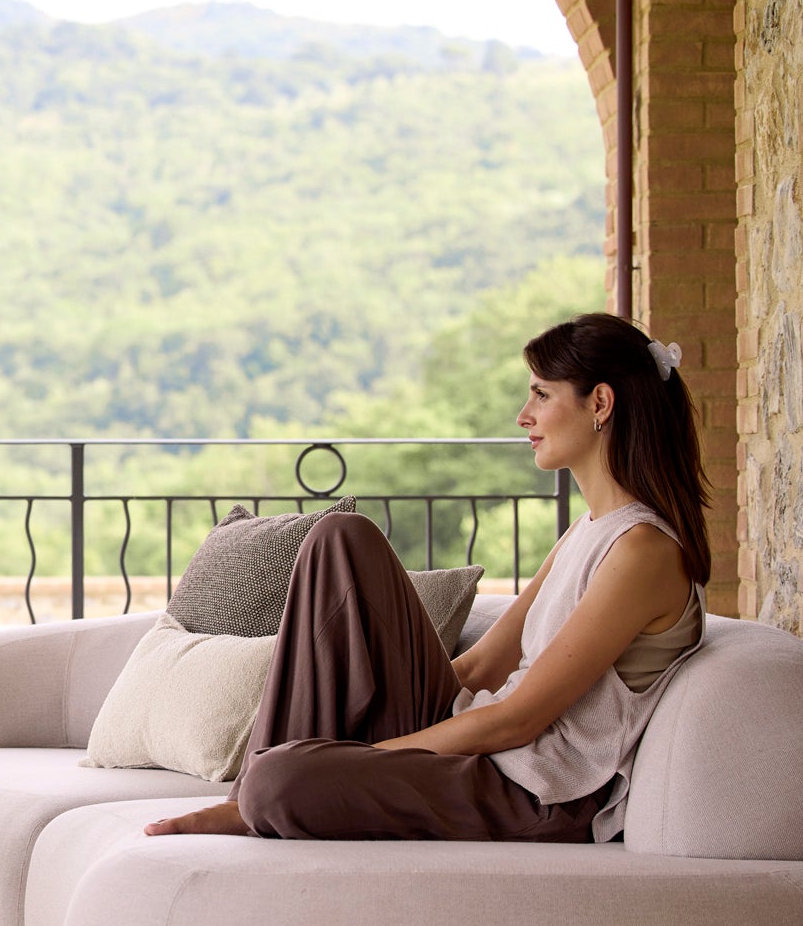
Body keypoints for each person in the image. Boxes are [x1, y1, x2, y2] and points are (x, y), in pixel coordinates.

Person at [146, 312, 712, 844]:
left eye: (541, 394)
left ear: (601, 403)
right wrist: (361, 727)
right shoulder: (585, 531)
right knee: (341, 537)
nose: (524, 415)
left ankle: (255, 798)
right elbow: (479, 668)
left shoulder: (643, 551)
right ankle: (253, 798)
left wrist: (377, 758)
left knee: (281, 782)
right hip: (486, 745)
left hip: (537, 789)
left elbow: (521, 718)